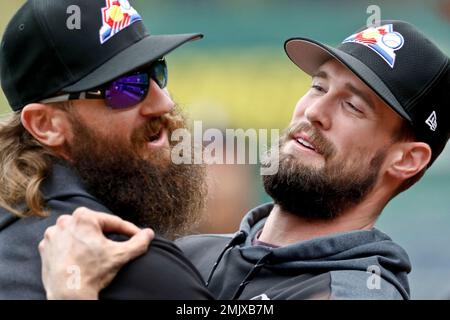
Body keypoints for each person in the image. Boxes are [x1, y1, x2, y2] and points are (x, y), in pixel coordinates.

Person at [38, 20, 450, 300]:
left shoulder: (353, 292)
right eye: (318, 86)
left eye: (353, 107)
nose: (314, 112)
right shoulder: (189, 253)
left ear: (407, 159)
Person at [0, 0, 213, 299]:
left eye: (157, 71)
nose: (163, 102)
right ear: (45, 124)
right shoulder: (136, 264)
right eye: (126, 87)